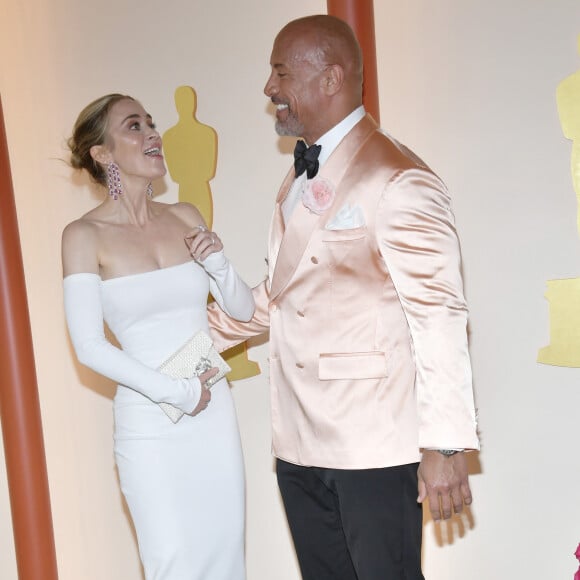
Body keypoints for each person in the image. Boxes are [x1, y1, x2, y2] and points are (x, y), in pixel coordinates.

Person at [207, 14, 479, 580]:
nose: (269, 89)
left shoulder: (400, 179)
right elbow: (280, 295)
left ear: (330, 79)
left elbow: (439, 316)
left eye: (280, 72)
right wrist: (187, 345)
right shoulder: (298, 177)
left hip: (373, 448)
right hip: (298, 444)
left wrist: (446, 446)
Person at [61, 93, 254, 580]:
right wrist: (176, 392)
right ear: (103, 154)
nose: (152, 133)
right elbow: (89, 347)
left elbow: (242, 309)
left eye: (150, 122)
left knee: (225, 556)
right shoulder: (83, 236)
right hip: (150, 420)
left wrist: (219, 264)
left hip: (212, 412)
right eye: (134, 126)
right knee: (172, 562)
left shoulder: (186, 215)